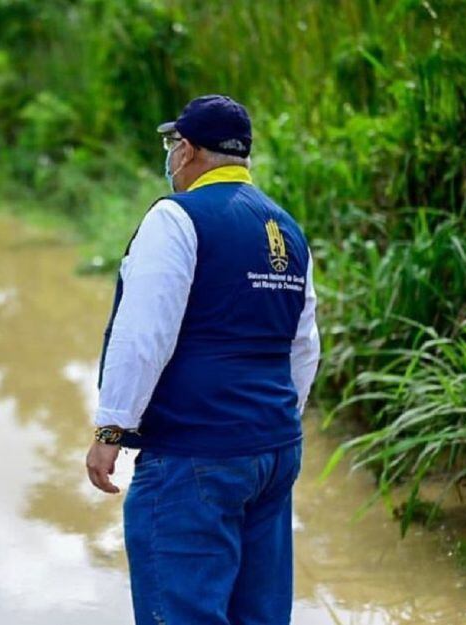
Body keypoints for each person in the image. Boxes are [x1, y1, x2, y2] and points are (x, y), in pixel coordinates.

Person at [86, 95, 320, 625]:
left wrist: (110, 431)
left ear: (187, 150)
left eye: (172, 146)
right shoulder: (287, 229)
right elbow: (304, 347)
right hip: (274, 448)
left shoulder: (177, 218)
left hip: (194, 453)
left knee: (184, 612)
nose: (170, 158)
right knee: (259, 615)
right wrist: (270, 420)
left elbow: (144, 334)